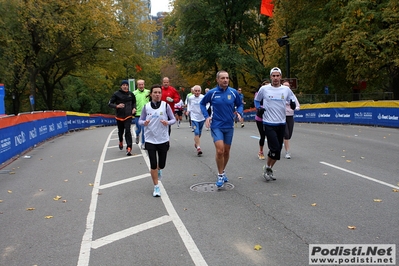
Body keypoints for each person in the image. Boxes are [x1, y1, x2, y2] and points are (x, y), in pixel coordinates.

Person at [200, 70, 243, 187]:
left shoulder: (233, 92)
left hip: (229, 125)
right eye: (223, 78)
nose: (225, 80)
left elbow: (240, 104)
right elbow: (202, 104)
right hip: (216, 125)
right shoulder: (212, 93)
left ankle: (222, 171)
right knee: (220, 150)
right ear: (217, 80)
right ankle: (220, 175)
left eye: (227, 78)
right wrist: (206, 117)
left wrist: (239, 112)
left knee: (227, 151)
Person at [254, 67, 297, 181]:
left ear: (280, 77)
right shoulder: (264, 89)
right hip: (268, 123)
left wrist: (292, 104)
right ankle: (268, 168)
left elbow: (292, 99)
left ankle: (268, 168)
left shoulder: (286, 90)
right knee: (274, 148)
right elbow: (257, 100)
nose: (275, 78)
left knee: (277, 152)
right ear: (270, 77)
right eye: (273, 76)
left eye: (278, 76)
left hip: (281, 123)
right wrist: (259, 108)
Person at [139, 84, 176, 197]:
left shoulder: (165, 106)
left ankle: (159, 169)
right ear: (151, 94)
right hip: (150, 139)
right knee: (153, 164)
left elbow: (173, 119)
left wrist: (168, 122)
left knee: (162, 164)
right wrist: (144, 123)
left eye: (159, 92)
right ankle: (156, 187)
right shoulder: (146, 107)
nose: (157, 94)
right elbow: (140, 120)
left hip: (163, 138)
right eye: (155, 92)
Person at [108, 80, 136, 156]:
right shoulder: (116, 94)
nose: (125, 86)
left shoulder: (131, 94)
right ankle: (120, 140)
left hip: (128, 115)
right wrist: (117, 106)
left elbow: (134, 102)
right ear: (121, 86)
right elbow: (109, 104)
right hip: (119, 116)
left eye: (126, 85)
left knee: (128, 131)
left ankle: (129, 148)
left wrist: (134, 108)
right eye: (123, 85)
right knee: (121, 132)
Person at [282, 80, 300, 159]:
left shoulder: (292, 96)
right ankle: (287, 152)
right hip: (282, 117)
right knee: (286, 134)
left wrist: (294, 108)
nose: (286, 87)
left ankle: (282, 140)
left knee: (289, 135)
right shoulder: (280, 95)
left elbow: (298, 106)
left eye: (288, 86)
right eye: (285, 85)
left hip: (290, 116)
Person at [186, 85, 205, 156]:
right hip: (194, 118)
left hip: (201, 117)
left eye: (198, 91)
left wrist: (205, 109)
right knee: (196, 131)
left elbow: (208, 103)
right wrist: (188, 111)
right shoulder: (190, 98)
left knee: (199, 132)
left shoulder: (203, 97)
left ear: (200, 91)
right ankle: (198, 148)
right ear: (193, 91)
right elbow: (189, 105)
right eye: (195, 91)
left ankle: (196, 142)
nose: (197, 92)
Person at [254, 79, 270, 160]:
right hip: (260, 118)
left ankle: (272, 151)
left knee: (270, 135)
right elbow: (256, 103)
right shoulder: (258, 94)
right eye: (264, 85)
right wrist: (260, 108)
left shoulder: (272, 94)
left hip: (270, 118)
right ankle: (261, 151)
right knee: (263, 135)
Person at [133, 79, 149, 150]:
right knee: (139, 129)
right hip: (137, 114)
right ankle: (137, 135)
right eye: (140, 85)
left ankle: (143, 143)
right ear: (137, 85)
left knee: (144, 129)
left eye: (142, 84)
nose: (141, 86)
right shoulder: (134, 93)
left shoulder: (148, 92)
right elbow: (132, 103)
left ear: (144, 85)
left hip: (146, 114)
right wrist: (133, 109)